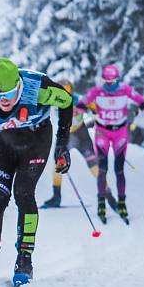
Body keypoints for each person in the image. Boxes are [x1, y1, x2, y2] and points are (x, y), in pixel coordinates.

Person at [0, 58, 72, 287]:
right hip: (2, 140)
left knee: (23, 193)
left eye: (10, 94)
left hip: (36, 139)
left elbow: (67, 102)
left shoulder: (39, 88)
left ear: (19, 85)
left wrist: (62, 144)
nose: (3, 100)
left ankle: (24, 260)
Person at [76, 64, 144, 224]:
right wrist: (83, 111)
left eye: (112, 81)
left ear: (117, 79)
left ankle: (122, 203)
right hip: (102, 132)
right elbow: (82, 104)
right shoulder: (97, 91)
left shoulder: (125, 89)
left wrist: (140, 110)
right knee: (102, 169)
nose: (109, 85)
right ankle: (101, 203)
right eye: (106, 81)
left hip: (120, 133)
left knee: (119, 170)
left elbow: (142, 101)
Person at [41, 80, 109, 208]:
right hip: (65, 135)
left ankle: (108, 193)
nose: (65, 91)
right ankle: (56, 197)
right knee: (58, 164)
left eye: (67, 89)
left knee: (93, 165)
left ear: (71, 89)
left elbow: (96, 109)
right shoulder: (55, 98)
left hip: (81, 135)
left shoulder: (79, 100)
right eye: (62, 89)